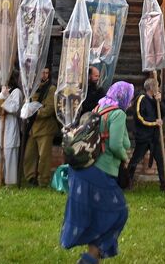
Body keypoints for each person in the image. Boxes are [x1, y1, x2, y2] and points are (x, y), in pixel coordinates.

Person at [60, 80, 133, 262]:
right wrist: (125, 157)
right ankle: (91, 257)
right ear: (123, 97)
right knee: (119, 212)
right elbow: (116, 145)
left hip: (84, 168)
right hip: (100, 171)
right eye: (130, 98)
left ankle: (91, 257)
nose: (130, 103)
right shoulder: (118, 114)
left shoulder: (99, 107)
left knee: (97, 214)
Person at [126, 77, 165, 190]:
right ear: (151, 87)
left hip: (154, 137)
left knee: (162, 161)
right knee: (135, 160)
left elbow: (163, 113)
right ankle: (126, 183)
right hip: (143, 136)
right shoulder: (141, 98)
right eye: (156, 86)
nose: (158, 88)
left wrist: (159, 101)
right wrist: (154, 123)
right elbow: (139, 117)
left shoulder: (155, 100)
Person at [23, 67, 59, 187]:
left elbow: (49, 109)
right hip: (33, 128)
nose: (44, 75)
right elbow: (26, 103)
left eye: (46, 73)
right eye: (42, 72)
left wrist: (34, 112)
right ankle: (30, 178)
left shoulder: (51, 89)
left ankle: (43, 180)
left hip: (45, 128)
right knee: (28, 155)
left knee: (44, 157)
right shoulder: (32, 89)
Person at [0, 71, 23, 186]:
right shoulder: (2, 91)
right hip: (0, 122)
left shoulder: (16, 92)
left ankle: (10, 181)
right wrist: (2, 96)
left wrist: (6, 96)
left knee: (9, 151)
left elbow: (15, 108)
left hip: (10, 123)